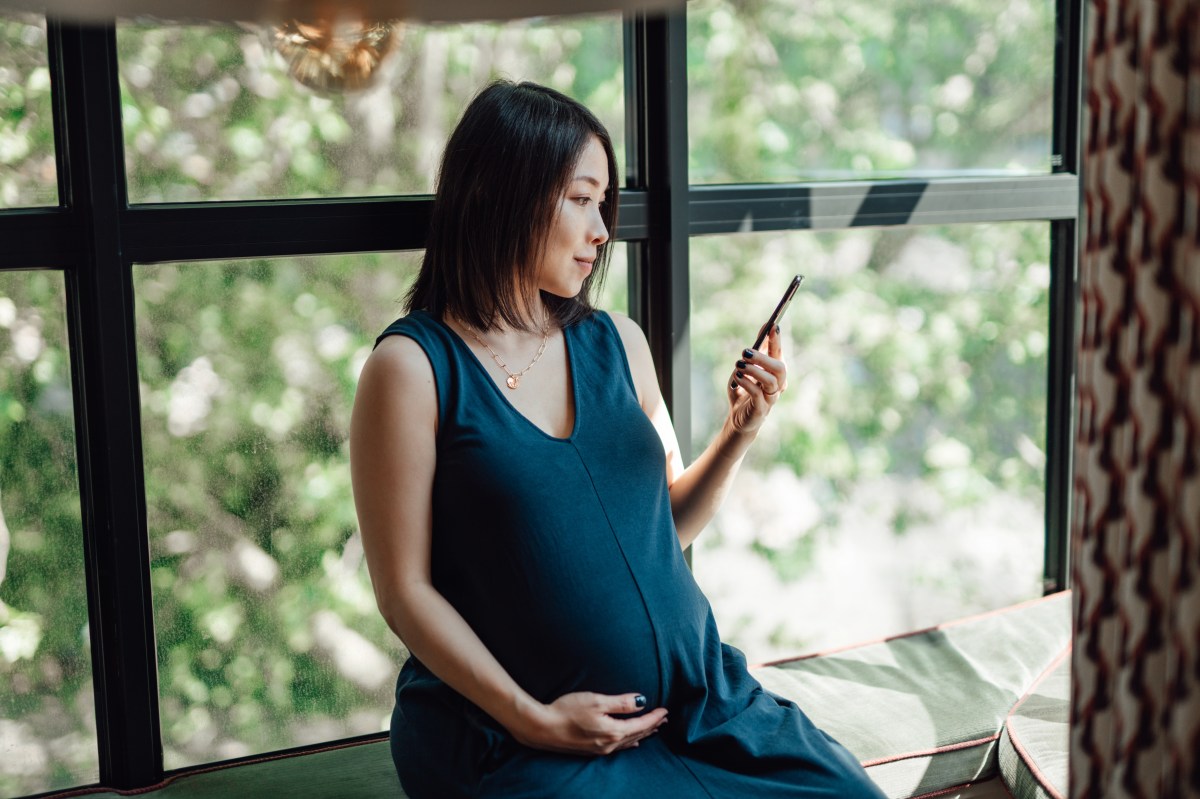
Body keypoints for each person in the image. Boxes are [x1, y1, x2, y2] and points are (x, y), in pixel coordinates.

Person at [349, 80, 886, 798]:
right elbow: (403, 592)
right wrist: (531, 716)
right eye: (580, 198)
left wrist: (737, 434)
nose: (602, 230)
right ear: (500, 193)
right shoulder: (411, 369)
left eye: (604, 203)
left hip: (706, 709)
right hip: (520, 736)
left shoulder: (616, 342)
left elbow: (666, 521)